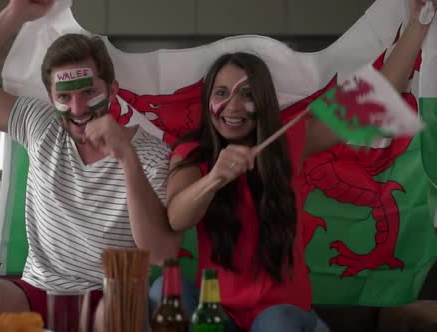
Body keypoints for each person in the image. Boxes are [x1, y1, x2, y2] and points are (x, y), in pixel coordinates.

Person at [149, 0, 433, 331]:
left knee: (277, 322)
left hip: (280, 313)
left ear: (265, 100)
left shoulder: (289, 141)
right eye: (222, 93)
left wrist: (419, 23)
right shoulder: (192, 149)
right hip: (217, 311)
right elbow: (177, 217)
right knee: (161, 292)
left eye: (247, 94)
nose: (233, 106)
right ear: (207, 100)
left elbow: (375, 99)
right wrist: (215, 177)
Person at [0, 0, 182, 329]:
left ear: (112, 91)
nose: (77, 109)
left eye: (88, 92)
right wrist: (15, 13)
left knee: (121, 303)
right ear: (51, 99)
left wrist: (127, 157)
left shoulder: (152, 154)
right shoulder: (42, 125)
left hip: (110, 292)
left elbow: (162, 253)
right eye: (64, 97)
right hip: (38, 289)